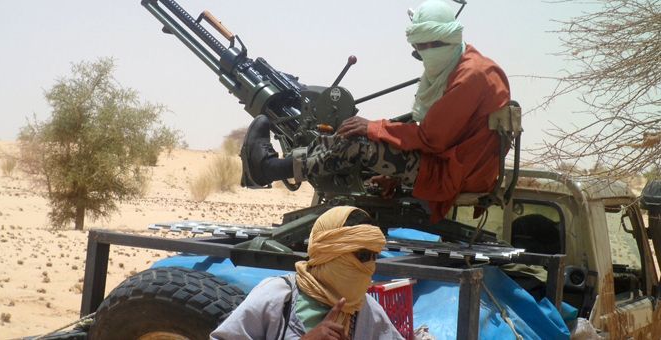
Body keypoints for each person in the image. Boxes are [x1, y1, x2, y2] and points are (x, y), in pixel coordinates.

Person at [241, 0, 511, 223]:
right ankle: (276, 167)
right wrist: (394, 169)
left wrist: (373, 127)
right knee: (354, 136)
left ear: (435, 42)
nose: (419, 55)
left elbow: (432, 138)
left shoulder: (472, 76)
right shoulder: (469, 65)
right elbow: (443, 136)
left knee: (356, 144)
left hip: (454, 174)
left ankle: (270, 169)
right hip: (455, 166)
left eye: (420, 49)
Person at [210, 206, 404, 339]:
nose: (369, 266)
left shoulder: (366, 309)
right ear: (328, 254)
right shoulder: (278, 297)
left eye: (374, 256)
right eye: (362, 256)